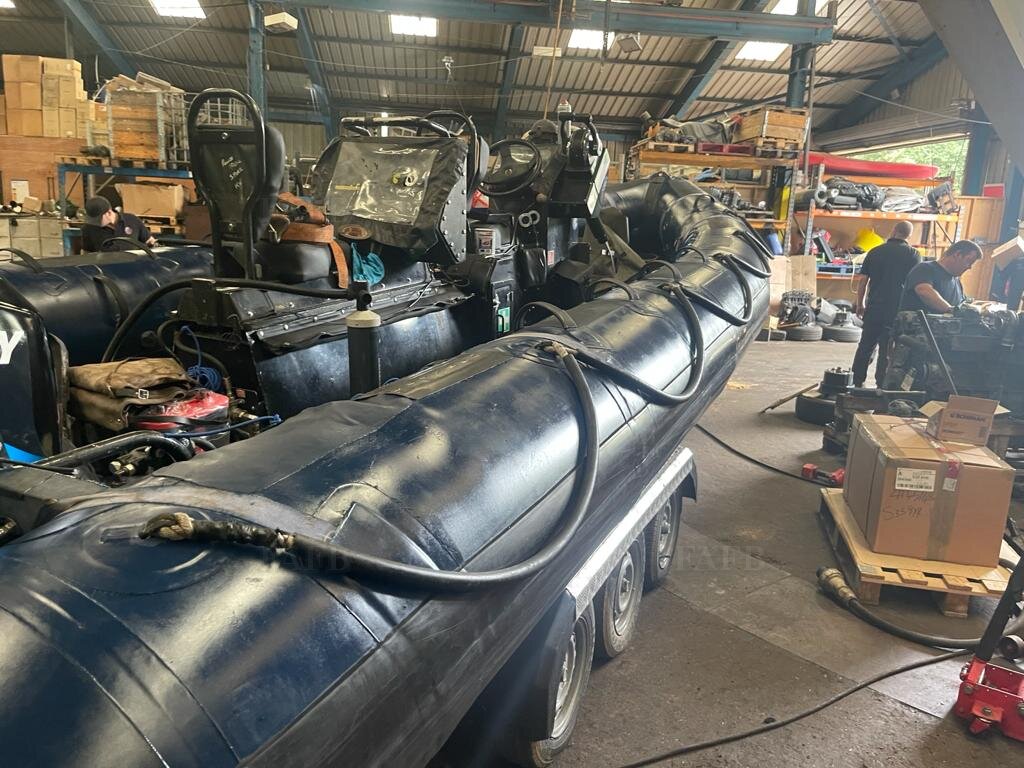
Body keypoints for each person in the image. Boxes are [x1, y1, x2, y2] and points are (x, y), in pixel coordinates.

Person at [850, 221, 920, 388]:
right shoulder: (913, 255)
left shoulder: (875, 251)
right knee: (887, 349)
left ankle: (856, 381)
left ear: (894, 230)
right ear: (909, 235)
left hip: (874, 307)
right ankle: (881, 384)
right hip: (897, 310)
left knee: (865, 345)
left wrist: (860, 304)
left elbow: (863, 281)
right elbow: (916, 284)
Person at [898, 239, 984, 314]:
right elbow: (924, 290)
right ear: (957, 254)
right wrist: (951, 310)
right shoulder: (925, 268)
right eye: (969, 261)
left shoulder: (957, 282)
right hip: (918, 328)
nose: (969, 267)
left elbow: (961, 305)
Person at [81, 196, 158, 252]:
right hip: (107, 268)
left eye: (97, 219)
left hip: (134, 266)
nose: (94, 222)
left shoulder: (132, 220)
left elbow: (150, 241)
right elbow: (87, 253)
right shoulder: (88, 228)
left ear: (109, 213)